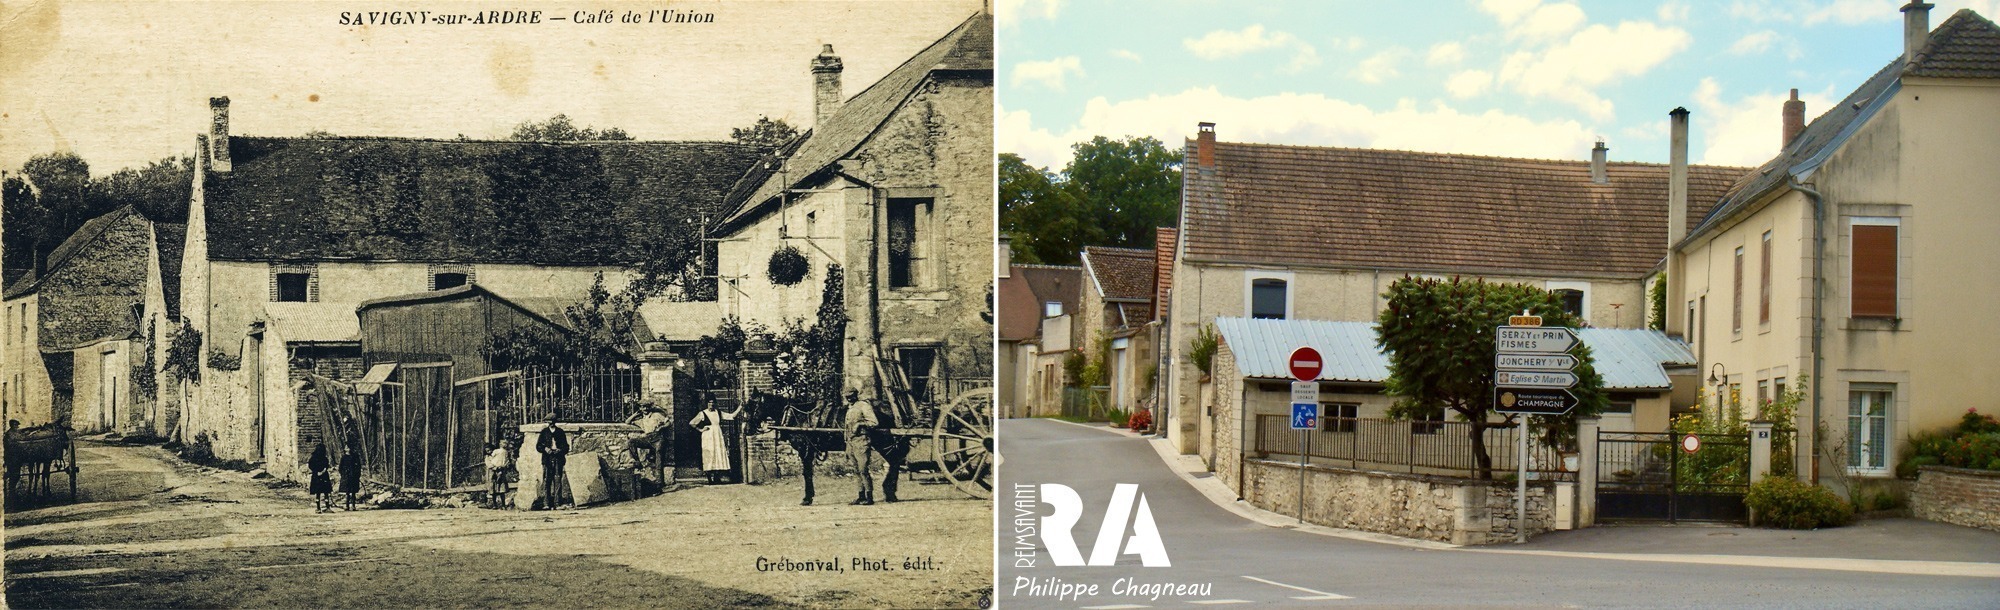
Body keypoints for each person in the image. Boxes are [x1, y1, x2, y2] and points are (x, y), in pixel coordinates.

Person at [689, 398, 745, 484]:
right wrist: (700, 429)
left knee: (718, 453)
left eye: (712, 403)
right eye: (709, 403)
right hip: (708, 436)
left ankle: (716, 477)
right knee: (709, 454)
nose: (711, 405)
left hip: (717, 435)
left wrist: (740, 407)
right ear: (707, 404)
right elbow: (692, 423)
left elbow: (731, 416)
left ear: (715, 404)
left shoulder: (718, 412)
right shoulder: (702, 413)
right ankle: (709, 478)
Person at [843, 389, 880, 505]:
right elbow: (846, 427)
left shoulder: (864, 406)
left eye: (851, 396)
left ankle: (869, 497)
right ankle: (861, 496)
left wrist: (860, 424)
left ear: (856, 395)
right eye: (847, 397)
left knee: (863, 469)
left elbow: (874, 422)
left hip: (862, 441)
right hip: (851, 442)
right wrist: (847, 444)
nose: (849, 399)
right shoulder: (850, 408)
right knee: (856, 470)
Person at [624, 404, 671, 486]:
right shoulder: (641, 419)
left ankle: (659, 483)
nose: (645, 409)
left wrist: (662, 427)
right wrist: (636, 414)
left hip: (658, 438)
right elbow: (627, 422)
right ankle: (638, 463)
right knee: (631, 442)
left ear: (650, 408)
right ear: (640, 409)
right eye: (642, 407)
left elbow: (668, 423)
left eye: (646, 407)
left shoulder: (656, 415)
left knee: (658, 459)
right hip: (648, 438)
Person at [536, 413, 572, 510]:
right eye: (548, 422)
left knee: (557, 480)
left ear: (555, 422)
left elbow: (566, 447)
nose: (550, 424)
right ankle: (546, 503)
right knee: (547, 480)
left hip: (558, 458)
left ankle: (557, 503)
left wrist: (560, 450)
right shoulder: (544, 432)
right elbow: (538, 446)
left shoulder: (560, 432)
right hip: (547, 459)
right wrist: (545, 449)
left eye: (552, 422)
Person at [485, 441, 513, 509]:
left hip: (501, 472)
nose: (489, 451)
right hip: (492, 474)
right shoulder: (488, 457)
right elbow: (488, 464)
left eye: (490, 450)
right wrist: (495, 467)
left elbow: (505, 461)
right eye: (487, 451)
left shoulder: (498, 454)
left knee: (501, 489)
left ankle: (503, 504)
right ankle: (495, 504)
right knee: (493, 490)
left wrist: (502, 467)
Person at [308, 442, 333, 513]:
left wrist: (321, 471)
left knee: (324, 492)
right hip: (319, 476)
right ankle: (319, 507)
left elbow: (326, 465)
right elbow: (311, 466)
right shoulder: (314, 458)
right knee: (320, 492)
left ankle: (325, 507)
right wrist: (318, 472)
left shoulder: (323, 458)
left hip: (320, 475)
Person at [338, 438, 362, 511]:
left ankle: (353, 505)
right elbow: (340, 467)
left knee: (353, 491)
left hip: (353, 475)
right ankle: (347, 505)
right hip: (346, 476)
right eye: (345, 447)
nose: (346, 449)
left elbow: (358, 466)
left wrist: (357, 474)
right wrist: (343, 474)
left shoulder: (355, 456)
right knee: (347, 492)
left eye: (347, 447)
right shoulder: (343, 457)